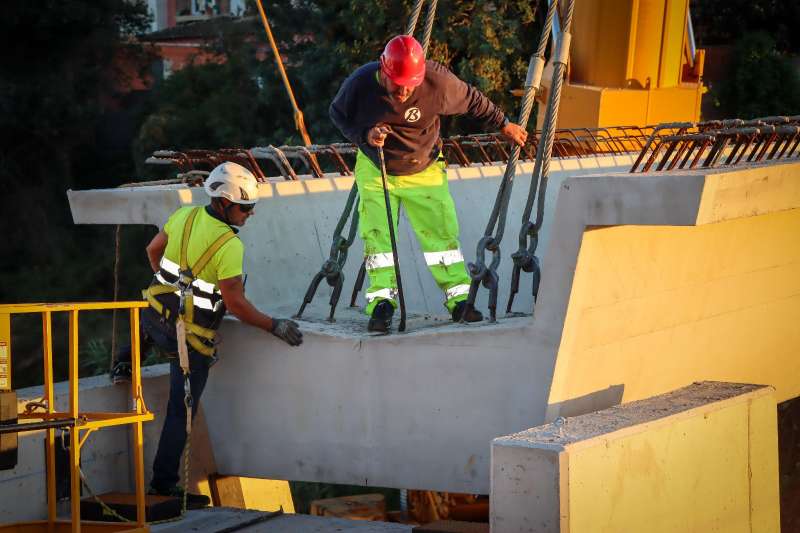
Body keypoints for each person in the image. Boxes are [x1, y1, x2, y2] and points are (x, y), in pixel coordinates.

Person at [111, 161, 303, 507]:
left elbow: (152, 251)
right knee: (180, 412)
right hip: (191, 341)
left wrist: (171, 287)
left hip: (157, 315)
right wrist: (276, 326)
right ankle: (163, 485)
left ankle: (124, 361)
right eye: (246, 208)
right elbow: (237, 305)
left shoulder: (183, 216)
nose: (250, 214)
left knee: (152, 322)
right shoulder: (230, 247)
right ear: (224, 203)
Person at [329, 35, 528, 333]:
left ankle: (459, 300)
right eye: (398, 84)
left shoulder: (438, 83)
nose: (404, 91)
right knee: (378, 240)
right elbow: (338, 114)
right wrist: (365, 135)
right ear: (383, 71)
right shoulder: (360, 84)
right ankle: (382, 303)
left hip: (424, 168)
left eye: (411, 84)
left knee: (441, 239)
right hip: (377, 168)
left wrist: (504, 124)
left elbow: (473, 100)